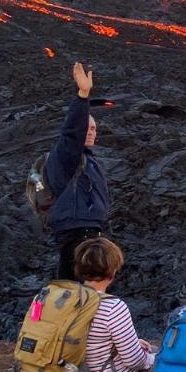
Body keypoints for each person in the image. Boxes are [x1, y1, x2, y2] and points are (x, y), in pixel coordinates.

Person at [45, 62, 111, 281]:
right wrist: (83, 95)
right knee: (76, 292)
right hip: (77, 234)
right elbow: (72, 131)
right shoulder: (67, 155)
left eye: (94, 128)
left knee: (83, 292)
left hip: (89, 232)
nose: (91, 132)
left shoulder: (88, 160)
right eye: (87, 127)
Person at [73, 237, 155, 372]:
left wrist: (130, 342)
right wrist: (152, 359)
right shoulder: (113, 307)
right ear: (112, 270)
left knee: (145, 348)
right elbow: (134, 361)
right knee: (166, 361)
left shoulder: (63, 298)